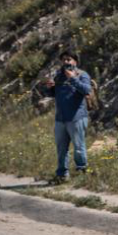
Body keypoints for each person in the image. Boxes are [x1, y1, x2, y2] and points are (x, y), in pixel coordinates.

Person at [36, 51, 93, 182]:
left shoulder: (82, 74)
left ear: (75, 61)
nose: (66, 62)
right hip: (60, 118)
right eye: (63, 60)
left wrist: (72, 78)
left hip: (77, 117)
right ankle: (62, 174)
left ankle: (82, 172)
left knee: (78, 147)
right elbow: (53, 94)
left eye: (69, 59)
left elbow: (86, 90)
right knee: (61, 148)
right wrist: (49, 87)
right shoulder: (58, 76)